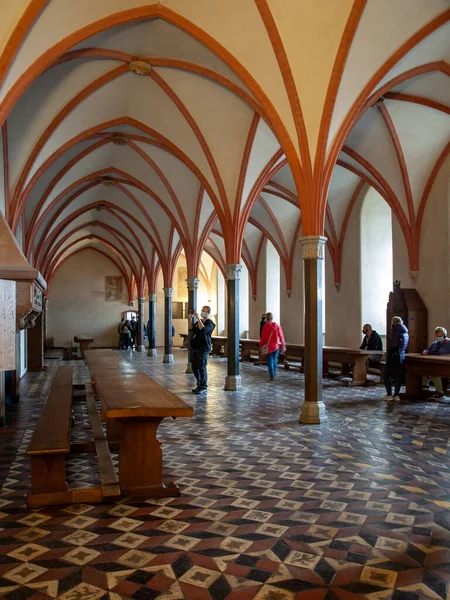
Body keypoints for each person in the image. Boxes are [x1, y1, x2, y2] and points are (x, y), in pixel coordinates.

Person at [188, 306, 215, 394]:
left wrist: (198, 317)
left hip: (203, 348)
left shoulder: (210, 323)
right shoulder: (198, 322)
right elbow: (191, 329)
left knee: (202, 367)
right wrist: (190, 319)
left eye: (204, 311)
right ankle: (199, 384)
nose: (202, 312)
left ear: (208, 313)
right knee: (195, 367)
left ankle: (203, 386)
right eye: (202, 311)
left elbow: (202, 329)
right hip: (195, 347)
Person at [384, 316, 409, 403]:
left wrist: (389, 352)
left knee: (386, 375)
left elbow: (394, 344)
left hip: (393, 356)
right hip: (401, 356)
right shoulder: (405, 332)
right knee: (398, 376)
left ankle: (389, 394)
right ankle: (397, 395)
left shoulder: (396, 331)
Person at [422, 326, 450, 399]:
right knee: (422, 369)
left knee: (434, 373)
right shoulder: (435, 343)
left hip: (444, 364)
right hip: (433, 363)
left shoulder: (449, 343)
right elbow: (428, 349)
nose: (438, 338)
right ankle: (425, 386)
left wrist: (443, 355)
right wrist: (426, 351)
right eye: (437, 336)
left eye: (440, 336)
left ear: (444, 335)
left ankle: (439, 393)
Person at [260, 312, 286, 382]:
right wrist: (283, 344)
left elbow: (263, 337)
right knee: (274, 360)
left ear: (266, 318)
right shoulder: (277, 326)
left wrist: (261, 345)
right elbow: (281, 335)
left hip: (268, 346)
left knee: (270, 361)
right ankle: (274, 373)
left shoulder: (265, 326)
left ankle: (272, 377)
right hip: (276, 346)